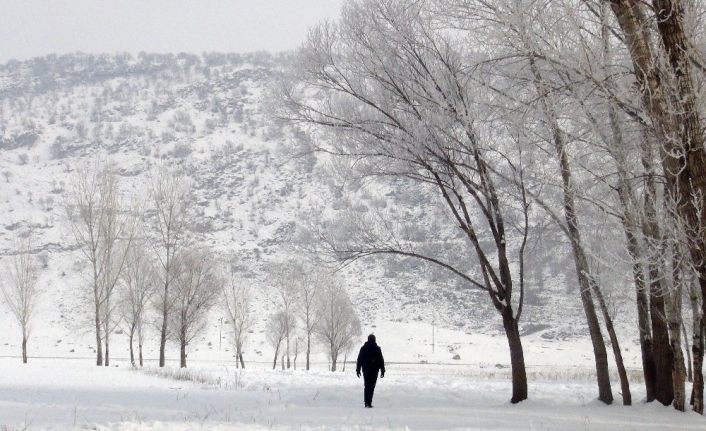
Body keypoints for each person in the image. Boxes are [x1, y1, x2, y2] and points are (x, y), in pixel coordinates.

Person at [356, 334, 385, 408]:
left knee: (367, 386)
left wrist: (358, 370)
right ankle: (369, 402)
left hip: (366, 370)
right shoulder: (377, 349)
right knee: (372, 386)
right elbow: (381, 360)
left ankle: (366, 402)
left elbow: (359, 359)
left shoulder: (363, 348)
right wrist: (382, 370)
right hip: (374, 370)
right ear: (374, 340)